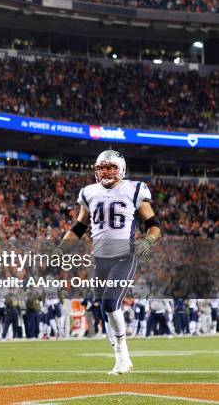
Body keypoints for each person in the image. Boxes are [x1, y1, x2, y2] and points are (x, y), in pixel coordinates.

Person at [53, 150, 161, 374]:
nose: (104, 172)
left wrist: (149, 240)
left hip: (123, 256)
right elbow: (79, 227)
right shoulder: (89, 192)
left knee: (111, 304)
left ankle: (123, 354)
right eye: (101, 168)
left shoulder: (134, 189)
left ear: (120, 168)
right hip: (99, 259)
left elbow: (154, 224)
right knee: (104, 310)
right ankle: (120, 358)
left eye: (109, 167)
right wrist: (62, 248)